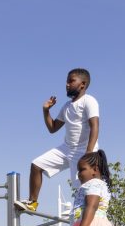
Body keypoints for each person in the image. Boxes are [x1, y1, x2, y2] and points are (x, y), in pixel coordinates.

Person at [20, 68, 100, 211]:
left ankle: (87, 217)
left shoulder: (89, 101)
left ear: (83, 84)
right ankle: (32, 203)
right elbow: (53, 128)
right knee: (36, 165)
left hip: (84, 151)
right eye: (66, 81)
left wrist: (88, 153)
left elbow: (95, 126)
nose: (67, 84)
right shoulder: (67, 106)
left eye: (71, 81)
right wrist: (46, 110)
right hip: (66, 148)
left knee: (83, 188)